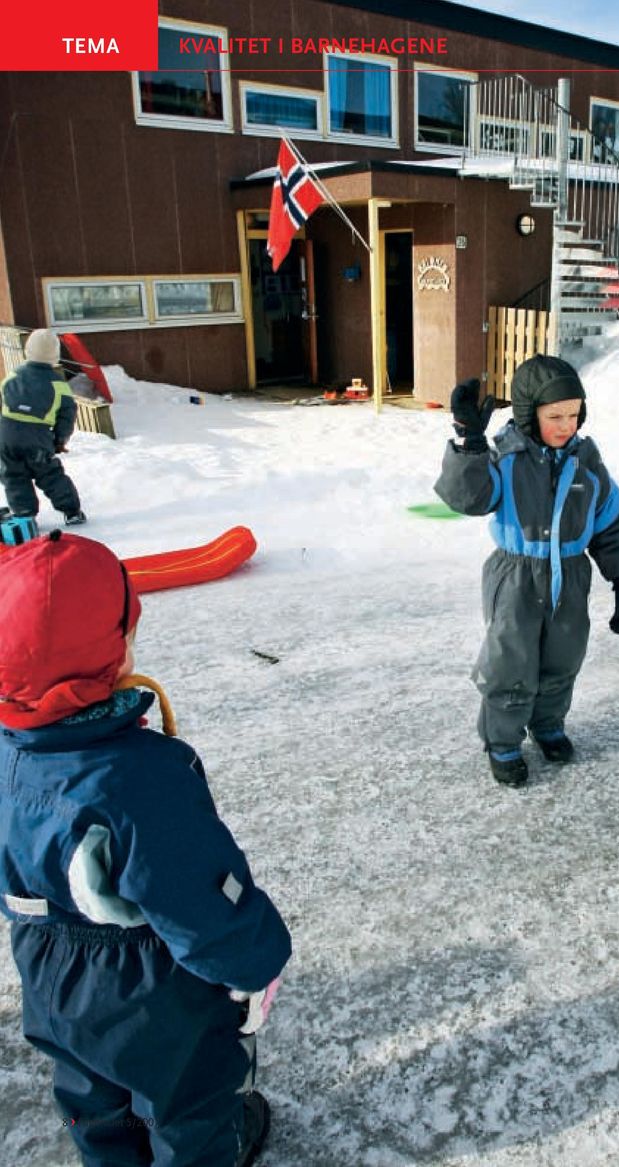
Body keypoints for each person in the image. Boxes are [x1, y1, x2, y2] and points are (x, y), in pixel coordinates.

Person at [0, 532, 291, 1166]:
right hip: (142, 983)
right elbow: (198, 898)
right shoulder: (139, 779)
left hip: (47, 972)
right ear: (106, 651)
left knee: (88, 1087)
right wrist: (257, 960)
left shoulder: (8, 752)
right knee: (188, 1099)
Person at [435, 356, 619, 787]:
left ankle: (548, 723)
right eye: (555, 416)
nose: (567, 424)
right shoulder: (506, 459)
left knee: (562, 658)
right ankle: (503, 741)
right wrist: (471, 443)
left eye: (573, 414)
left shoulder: (587, 462)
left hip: (570, 573)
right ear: (531, 415)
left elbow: (609, 521)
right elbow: (468, 498)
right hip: (516, 576)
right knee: (511, 661)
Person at [0, 328, 86, 524]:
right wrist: (59, 439)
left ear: (28, 350)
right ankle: (71, 511)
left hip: (6, 435)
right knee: (49, 474)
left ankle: (24, 514)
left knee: (13, 475)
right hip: (36, 437)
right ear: (55, 355)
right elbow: (67, 415)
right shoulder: (58, 385)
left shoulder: (11, 377)